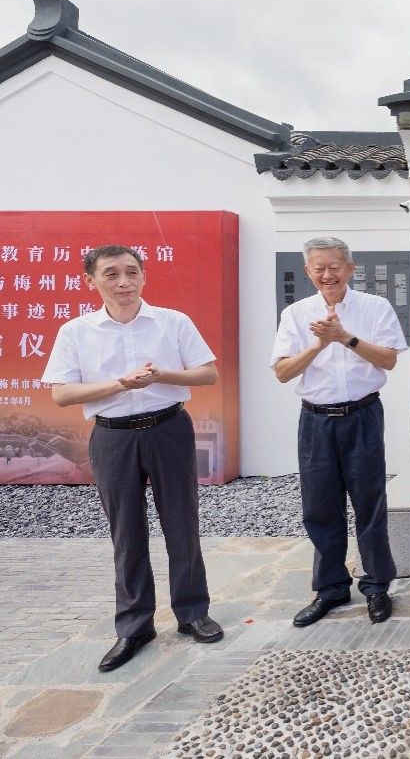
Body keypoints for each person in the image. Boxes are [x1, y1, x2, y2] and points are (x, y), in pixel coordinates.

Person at [41, 245, 223, 672]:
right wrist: (120, 384)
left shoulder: (173, 322)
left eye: (132, 272)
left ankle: (192, 612)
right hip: (112, 436)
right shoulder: (76, 331)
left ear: (144, 276)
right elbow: (62, 393)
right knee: (126, 531)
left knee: (181, 522)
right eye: (111, 274)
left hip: (168, 429)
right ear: (90, 281)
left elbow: (208, 373)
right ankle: (135, 625)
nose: (123, 282)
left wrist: (161, 376)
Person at [271, 237, 407, 627]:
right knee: (319, 507)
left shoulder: (375, 307)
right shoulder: (296, 313)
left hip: (362, 416)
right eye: (319, 268)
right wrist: (319, 344)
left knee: (370, 503)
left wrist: (345, 338)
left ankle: (377, 586)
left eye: (335, 267)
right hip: (315, 420)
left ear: (350, 268)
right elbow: (282, 372)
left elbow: (388, 360)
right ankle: (330, 589)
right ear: (308, 271)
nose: (327, 275)